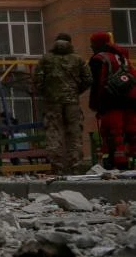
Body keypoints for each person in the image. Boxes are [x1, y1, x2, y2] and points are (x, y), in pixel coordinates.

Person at [33, 33, 93, 174]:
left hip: (52, 102)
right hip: (72, 102)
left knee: (54, 132)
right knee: (74, 133)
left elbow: (37, 81)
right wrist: (76, 91)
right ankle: (75, 166)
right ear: (70, 43)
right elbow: (89, 79)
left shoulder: (45, 59)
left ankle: (57, 167)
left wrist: (47, 93)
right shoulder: (78, 60)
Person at [88, 31, 134, 169]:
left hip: (111, 101)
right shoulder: (123, 57)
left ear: (97, 43)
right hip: (130, 100)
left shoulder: (99, 58)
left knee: (112, 133)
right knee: (131, 132)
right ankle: (130, 162)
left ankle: (116, 164)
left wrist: (95, 104)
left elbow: (96, 84)